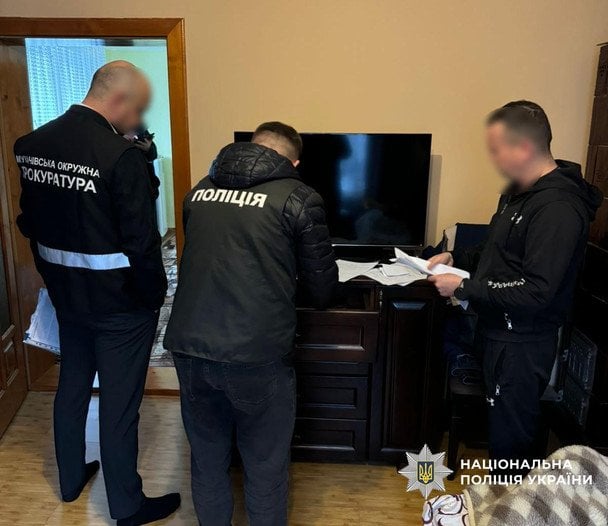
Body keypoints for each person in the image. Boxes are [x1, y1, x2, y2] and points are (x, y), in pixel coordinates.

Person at [14, 61, 180, 525]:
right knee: (119, 404)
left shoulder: (32, 145)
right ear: (119, 99)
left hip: (67, 297)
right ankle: (127, 506)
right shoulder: (119, 157)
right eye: (138, 109)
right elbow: (142, 243)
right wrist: (154, 297)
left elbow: (29, 221)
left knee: (72, 385)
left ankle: (70, 480)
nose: (138, 119)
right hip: (120, 305)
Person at [164, 121, 338, 525]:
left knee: (206, 460)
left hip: (190, 347)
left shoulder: (199, 191)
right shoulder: (298, 197)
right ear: (293, 162)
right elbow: (322, 291)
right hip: (256, 353)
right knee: (264, 465)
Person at [428, 101, 603, 471]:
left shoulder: (558, 207)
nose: (494, 159)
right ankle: (504, 496)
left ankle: (517, 500)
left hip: (521, 345)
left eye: (497, 150)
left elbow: (537, 291)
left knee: (512, 444)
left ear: (524, 147)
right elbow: (497, 252)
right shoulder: (518, 194)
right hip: (496, 334)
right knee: (501, 436)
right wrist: (455, 258)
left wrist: (463, 288)